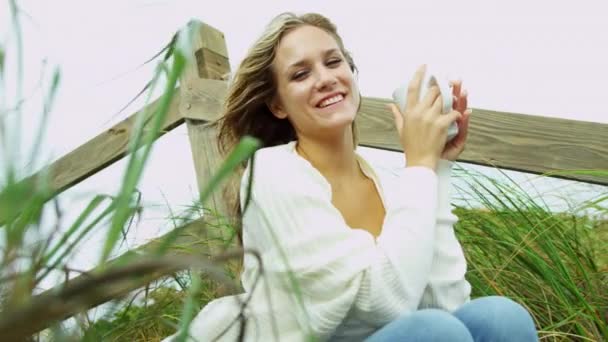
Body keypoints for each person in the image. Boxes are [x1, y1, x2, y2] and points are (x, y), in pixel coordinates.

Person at [164, 12, 539, 342]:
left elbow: (446, 301)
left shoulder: (392, 188)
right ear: (277, 104)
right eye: (300, 74)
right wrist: (420, 165)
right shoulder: (273, 173)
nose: (325, 78)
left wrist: (436, 169)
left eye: (333, 62)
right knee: (434, 333)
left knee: (500, 317)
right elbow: (383, 302)